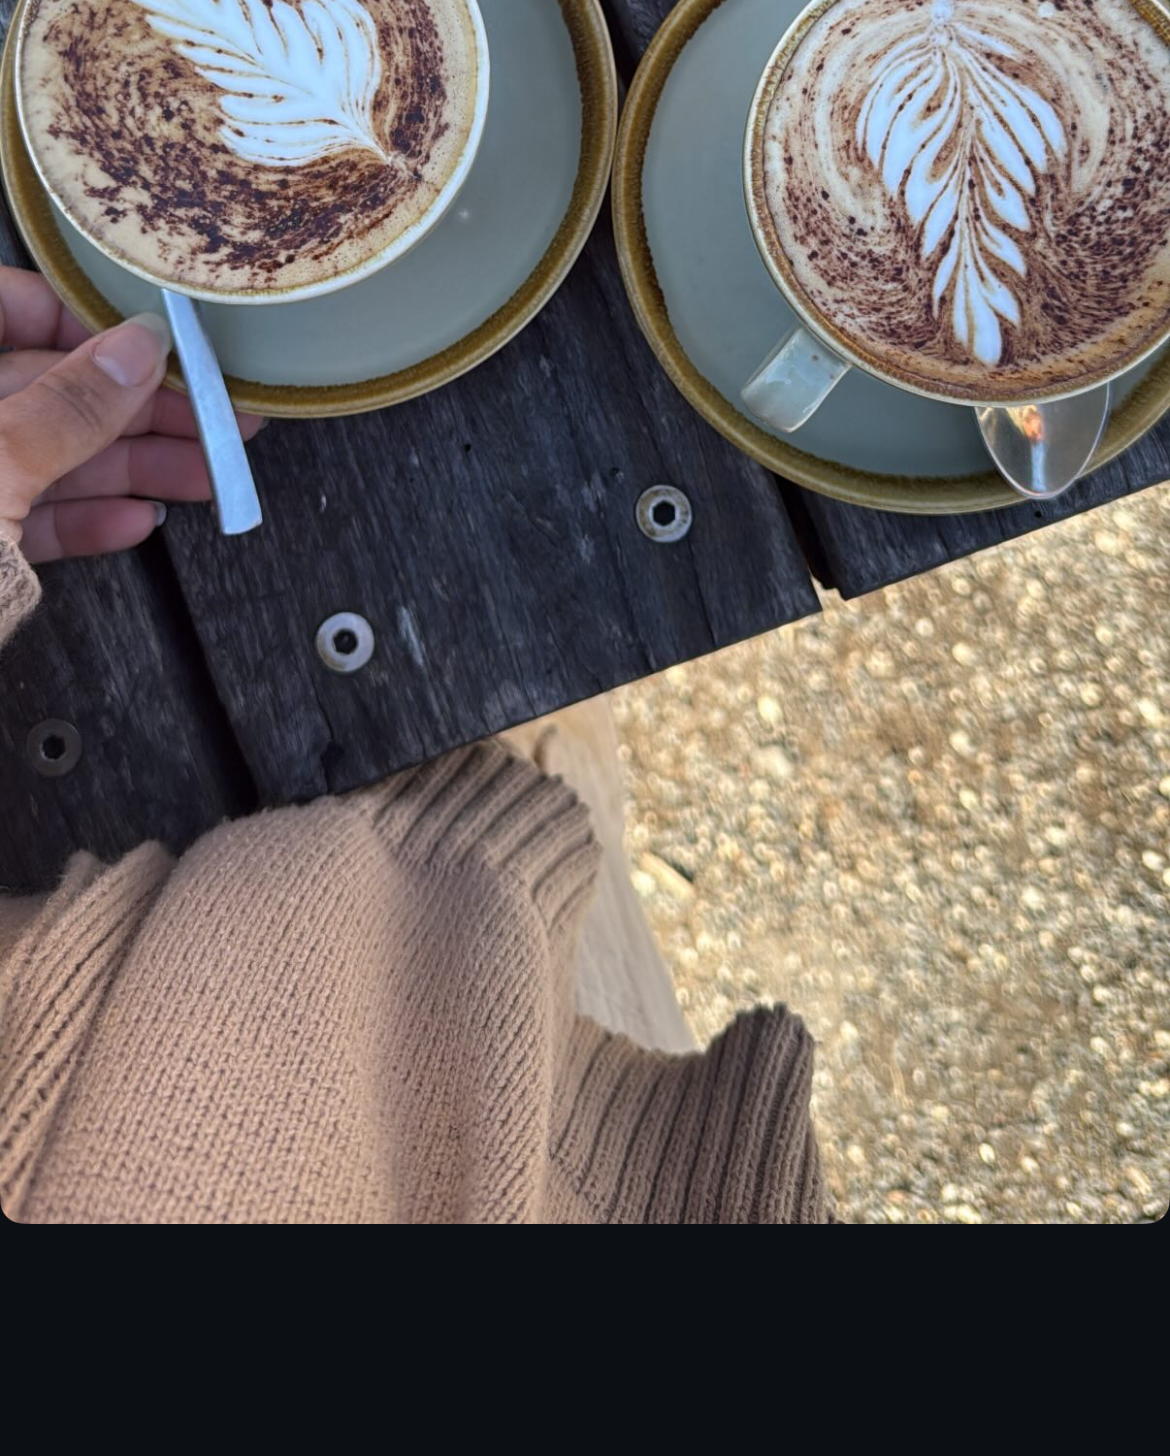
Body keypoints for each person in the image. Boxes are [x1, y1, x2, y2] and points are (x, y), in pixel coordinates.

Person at [0, 265, 830, 1223]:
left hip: (298, 938)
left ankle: (552, 766)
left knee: (539, 780)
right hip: (516, 1071)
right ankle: (555, 764)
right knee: (552, 784)